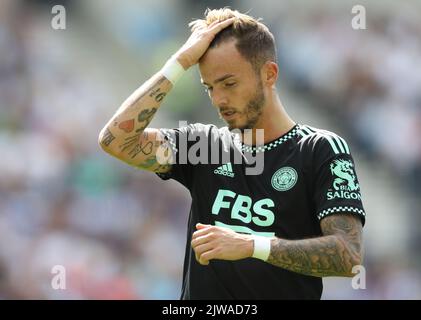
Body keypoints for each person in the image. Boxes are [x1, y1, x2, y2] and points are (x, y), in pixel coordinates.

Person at [99, 8, 365, 299]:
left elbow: (348, 256)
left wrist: (252, 245)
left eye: (229, 83)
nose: (218, 99)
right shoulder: (204, 146)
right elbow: (116, 140)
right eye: (209, 88)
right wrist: (179, 62)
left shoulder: (319, 149)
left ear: (269, 74)